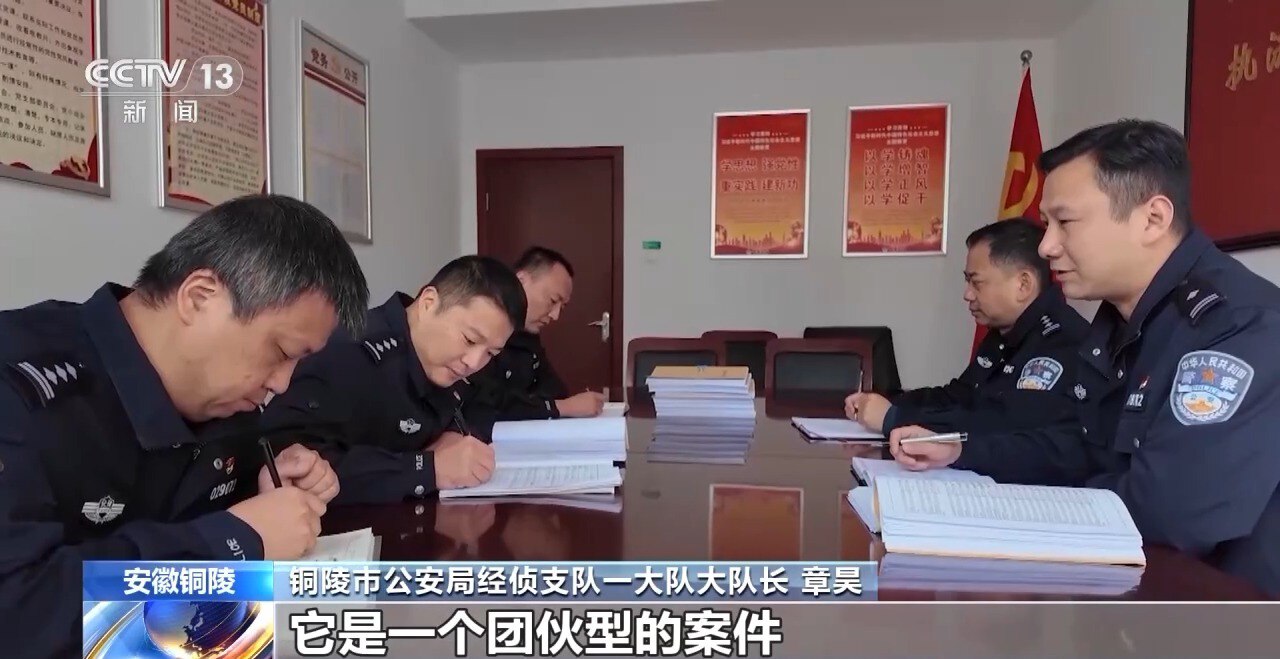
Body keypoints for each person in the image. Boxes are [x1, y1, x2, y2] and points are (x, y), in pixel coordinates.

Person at [889, 119, 1280, 597]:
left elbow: (1170, 512)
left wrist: (1011, 512)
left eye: (1065, 222)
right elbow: (1084, 446)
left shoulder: (1239, 326)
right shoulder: (1126, 322)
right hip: (1135, 597)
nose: (1046, 246)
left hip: (1225, 611)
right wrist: (962, 451)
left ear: (1152, 219)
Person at [0, 194, 369, 656]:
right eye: (281, 352)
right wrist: (234, 542)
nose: (281, 383)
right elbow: (18, 609)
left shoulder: (226, 401)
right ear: (200, 297)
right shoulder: (19, 388)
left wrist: (267, 493)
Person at [259, 255, 527, 504]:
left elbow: (481, 406)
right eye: (469, 339)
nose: (474, 363)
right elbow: (284, 465)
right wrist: (428, 468)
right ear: (428, 303)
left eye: (490, 353)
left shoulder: (448, 362)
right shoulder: (348, 355)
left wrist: (454, 436)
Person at [846, 218, 1088, 435]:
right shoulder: (1004, 333)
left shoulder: (1063, 342)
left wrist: (895, 418)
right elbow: (959, 398)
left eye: (977, 283)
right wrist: (887, 402)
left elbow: (1001, 425)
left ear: (1023, 285)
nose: (967, 295)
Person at [479, 246, 604, 420]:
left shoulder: (527, 335)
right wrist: (562, 407)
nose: (555, 315)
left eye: (562, 307)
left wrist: (565, 404)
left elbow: (556, 390)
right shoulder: (481, 332)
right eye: (552, 301)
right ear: (521, 281)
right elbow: (489, 405)